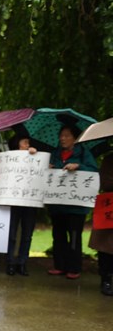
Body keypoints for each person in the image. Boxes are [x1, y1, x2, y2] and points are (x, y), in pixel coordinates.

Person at [47, 125, 98, 279]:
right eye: (61, 135)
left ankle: (74, 268)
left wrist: (79, 166)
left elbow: (94, 171)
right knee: (58, 235)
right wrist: (49, 167)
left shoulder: (83, 153)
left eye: (67, 135)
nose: (62, 138)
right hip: (57, 204)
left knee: (74, 237)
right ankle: (59, 265)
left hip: (76, 206)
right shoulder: (55, 153)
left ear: (75, 138)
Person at [5, 134, 38, 276]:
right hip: (13, 201)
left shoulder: (35, 158)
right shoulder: (8, 158)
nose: (27, 145)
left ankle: (22, 262)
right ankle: (10, 262)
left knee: (27, 235)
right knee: (11, 234)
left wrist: (37, 158)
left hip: (30, 202)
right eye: (25, 142)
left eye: (28, 143)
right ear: (17, 144)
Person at [89, 153, 113, 296]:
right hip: (109, 208)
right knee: (107, 247)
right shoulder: (109, 159)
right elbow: (105, 183)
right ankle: (106, 278)